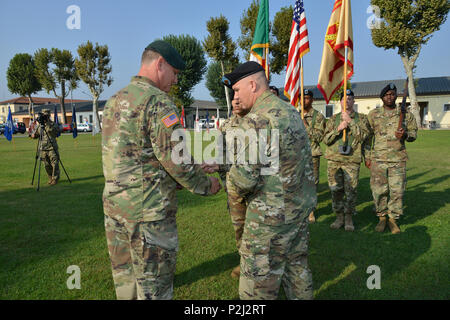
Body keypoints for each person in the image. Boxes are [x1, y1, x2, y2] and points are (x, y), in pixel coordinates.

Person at [102, 40, 221, 300]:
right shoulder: (158, 102)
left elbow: (132, 157)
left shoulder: (114, 100)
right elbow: (177, 162)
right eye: (175, 73)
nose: (176, 81)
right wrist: (208, 185)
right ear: (160, 64)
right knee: (154, 290)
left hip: (115, 211)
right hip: (149, 215)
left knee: (127, 288)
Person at [222, 61, 316, 300]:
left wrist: (227, 176)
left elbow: (244, 179)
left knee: (256, 288)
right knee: (297, 270)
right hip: (297, 210)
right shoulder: (290, 111)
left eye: (237, 90)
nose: (236, 96)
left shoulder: (258, 120)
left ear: (252, 85)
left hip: (269, 221)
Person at [202, 96, 249, 279]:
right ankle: (244, 262)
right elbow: (221, 156)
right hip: (233, 186)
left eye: (240, 98)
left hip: (256, 187)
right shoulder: (225, 126)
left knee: (258, 228)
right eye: (234, 99)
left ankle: (260, 265)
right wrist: (222, 176)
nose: (236, 102)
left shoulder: (257, 124)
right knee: (239, 226)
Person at [365, 83, 417, 234]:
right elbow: (367, 139)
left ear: (396, 96)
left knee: (397, 191)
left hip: (398, 159)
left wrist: (405, 135)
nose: (390, 97)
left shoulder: (405, 114)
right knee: (378, 190)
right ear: (382, 97)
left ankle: (393, 219)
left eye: (393, 94)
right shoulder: (373, 115)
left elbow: (414, 134)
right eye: (387, 94)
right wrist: (368, 158)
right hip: (378, 159)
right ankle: (381, 217)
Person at [322, 89, 371, 231]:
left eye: (350, 98)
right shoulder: (332, 119)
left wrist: (350, 122)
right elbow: (325, 139)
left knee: (351, 191)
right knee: (335, 190)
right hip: (334, 160)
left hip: (351, 160)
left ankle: (349, 217)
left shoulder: (361, 119)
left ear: (354, 101)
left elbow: (364, 137)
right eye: (344, 99)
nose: (347, 101)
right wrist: (338, 129)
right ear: (340, 102)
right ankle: (339, 217)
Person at [301, 89, 326, 223]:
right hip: (296, 155)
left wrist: (306, 125)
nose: (304, 101)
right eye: (302, 98)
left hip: (312, 154)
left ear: (312, 100)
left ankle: (310, 211)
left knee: (312, 183)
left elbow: (319, 136)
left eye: (307, 98)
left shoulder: (318, 117)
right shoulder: (294, 113)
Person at [31, 109, 60, 185]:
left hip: (52, 147)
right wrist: (33, 135)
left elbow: (55, 133)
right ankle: (50, 177)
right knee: (46, 165)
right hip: (43, 148)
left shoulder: (53, 124)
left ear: (49, 116)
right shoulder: (40, 126)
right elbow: (36, 134)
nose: (44, 117)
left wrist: (48, 125)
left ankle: (55, 179)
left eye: (46, 116)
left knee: (55, 164)